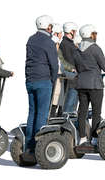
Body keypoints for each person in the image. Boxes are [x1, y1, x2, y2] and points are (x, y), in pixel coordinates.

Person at [73, 24, 105, 146]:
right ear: (90, 35)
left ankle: (81, 138)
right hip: (95, 85)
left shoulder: (77, 50)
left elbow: (76, 66)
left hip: (81, 84)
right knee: (96, 113)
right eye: (94, 33)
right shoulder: (95, 48)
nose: (95, 35)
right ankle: (94, 138)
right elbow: (104, 64)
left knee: (82, 112)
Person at [25, 15, 58, 153]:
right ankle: (39, 148)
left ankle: (29, 147)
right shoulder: (49, 42)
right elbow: (54, 65)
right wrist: (53, 80)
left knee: (32, 113)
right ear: (48, 27)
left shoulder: (31, 39)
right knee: (42, 114)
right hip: (44, 81)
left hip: (30, 80)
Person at [50, 23, 77, 117]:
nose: (61, 35)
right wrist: (73, 70)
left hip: (62, 77)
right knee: (55, 102)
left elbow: (62, 62)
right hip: (60, 77)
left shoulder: (62, 44)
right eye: (60, 33)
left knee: (59, 101)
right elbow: (62, 61)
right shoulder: (63, 44)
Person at [60, 22, 79, 113]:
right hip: (72, 78)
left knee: (73, 106)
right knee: (69, 104)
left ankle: (70, 123)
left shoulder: (70, 44)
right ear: (70, 31)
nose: (75, 33)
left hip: (75, 78)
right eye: (74, 31)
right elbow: (69, 60)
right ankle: (66, 124)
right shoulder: (66, 44)